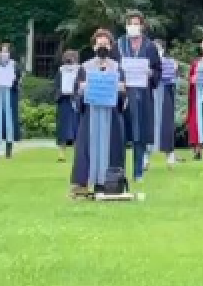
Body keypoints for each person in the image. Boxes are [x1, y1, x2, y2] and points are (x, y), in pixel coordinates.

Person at [71, 30, 128, 197]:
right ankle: (85, 183)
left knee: (112, 146)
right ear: (94, 46)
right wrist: (82, 90)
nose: (102, 47)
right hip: (91, 114)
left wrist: (121, 91)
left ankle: (110, 183)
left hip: (111, 116)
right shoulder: (85, 67)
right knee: (87, 147)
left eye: (105, 44)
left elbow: (124, 96)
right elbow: (76, 93)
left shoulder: (117, 68)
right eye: (99, 44)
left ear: (110, 46)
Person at [116, 11, 161, 181]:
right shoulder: (119, 45)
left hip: (142, 95)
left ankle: (138, 172)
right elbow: (113, 66)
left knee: (139, 136)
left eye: (137, 23)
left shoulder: (150, 47)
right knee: (120, 135)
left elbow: (158, 70)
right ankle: (119, 172)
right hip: (123, 95)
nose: (133, 27)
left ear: (142, 26)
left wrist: (151, 73)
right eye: (130, 23)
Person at [0, 42, 22, 159]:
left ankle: (8, 151)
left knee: (9, 122)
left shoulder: (15, 66)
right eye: (2, 51)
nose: (4, 54)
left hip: (10, 97)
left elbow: (18, 81)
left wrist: (14, 80)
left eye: (6, 52)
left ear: (10, 53)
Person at [153, 39, 179, 167]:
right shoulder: (147, 62)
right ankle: (145, 156)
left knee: (167, 124)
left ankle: (170, 154)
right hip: (150, 94)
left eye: (157, 48)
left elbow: (172, 79)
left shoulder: (170, 62)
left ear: (163, 49)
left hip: (165, 93)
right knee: (148, 125)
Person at [54, 50, 81, 163]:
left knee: (77, 127)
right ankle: (61, 153)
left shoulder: (80, 70)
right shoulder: (60, 71)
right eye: (68, 58)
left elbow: (83, 84)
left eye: (72, 58)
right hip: (64, 102)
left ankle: (78, 154)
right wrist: (60, 93)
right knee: (63, 129)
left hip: (76, 101)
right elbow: (56, 86)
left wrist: (77, 94)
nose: (70, 60)